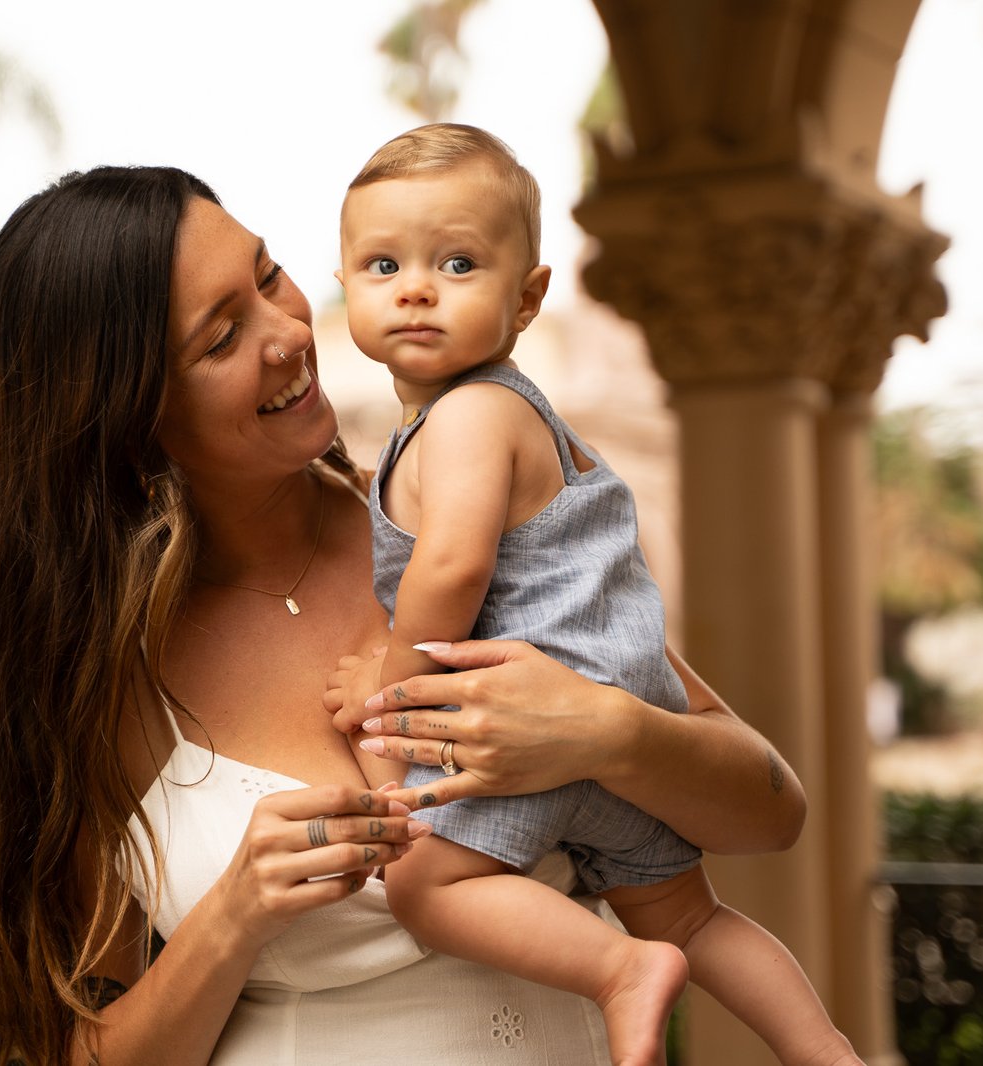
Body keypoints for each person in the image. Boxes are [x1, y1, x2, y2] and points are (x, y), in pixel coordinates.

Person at [0, 162, 809, 1066]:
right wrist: (235, 915)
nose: (290, 332)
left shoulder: (462, 529)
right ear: (129, 419)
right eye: (221, 339)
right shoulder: (103, 680)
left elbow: (772, 814)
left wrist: (609, 733)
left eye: (265, 277)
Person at [327, 123, 860, 1066]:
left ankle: (617, 974)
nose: (414, 287)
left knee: (426, 887)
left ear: (528, 298)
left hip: (537, 723)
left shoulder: (470, 416)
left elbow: (450, 572)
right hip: (623, 715)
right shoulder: (528, 420)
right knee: (693, 918)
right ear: (345, 285)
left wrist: (388, 690)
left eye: (457, 263)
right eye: (382, 265)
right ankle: (826, 1051)